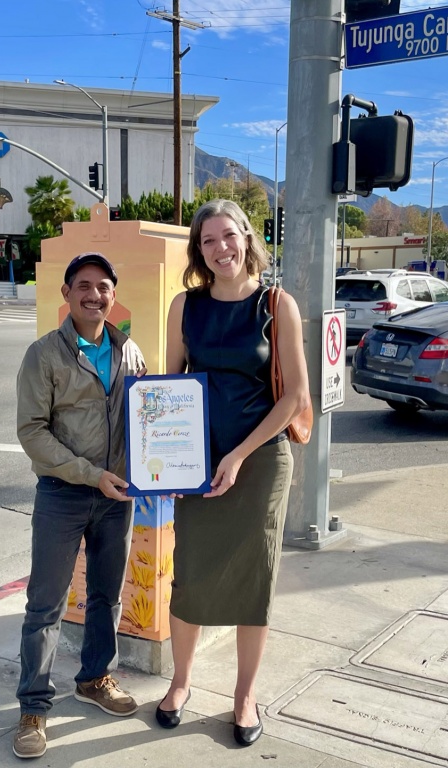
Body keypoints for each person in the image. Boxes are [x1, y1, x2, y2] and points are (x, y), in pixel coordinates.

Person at [156, 200, 311, 746]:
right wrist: (169, 460)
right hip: (197, 462)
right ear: (198, 251)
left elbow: (294, 397)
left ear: (247, 238)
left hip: (260, 460)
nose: (220, 248)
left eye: (228, 236)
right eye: (208, 240)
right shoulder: (185, 306)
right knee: (190, 573)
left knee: (253, 578)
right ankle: (180, 683)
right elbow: (170, 387)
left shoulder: (277, 305)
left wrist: (240, 454)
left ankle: (245, 696)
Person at [13, 252, 146, 760]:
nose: (94, 295)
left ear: (114, 294)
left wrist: (167, 470)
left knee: (106, 597)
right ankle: (33, 707)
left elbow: (147, 419)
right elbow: (32, 432)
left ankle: (95, 679)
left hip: (117, 498)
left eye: (103, 286)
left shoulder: (128, 350)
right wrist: (92, 475)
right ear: (66, 293)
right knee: (45, 604)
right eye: (84, 286)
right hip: (63, 494)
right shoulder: (44, 354)